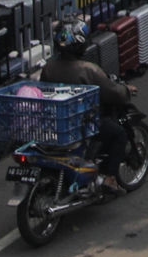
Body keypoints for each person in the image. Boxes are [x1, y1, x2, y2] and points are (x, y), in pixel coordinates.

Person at [38, 19, 139, 173]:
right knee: (119, 134)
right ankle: (110, 179)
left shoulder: (48, 68)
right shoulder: (88, 70)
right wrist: (126, 90)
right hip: (83, 124)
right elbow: (114, 92)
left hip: (57, 122)